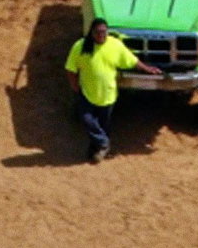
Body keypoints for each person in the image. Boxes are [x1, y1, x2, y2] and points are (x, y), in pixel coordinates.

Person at [64, 18, 161, 163]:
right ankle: (103, 143)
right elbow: (70, 68)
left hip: (107, 95)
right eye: (97, 32)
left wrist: (148, 69)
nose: (101, 35)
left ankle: (96, 151)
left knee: (103, 125)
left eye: (104, 32)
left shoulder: (115, 45)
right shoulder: (80, 47)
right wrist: (74, 85)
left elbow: (132, 60)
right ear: (91, 32)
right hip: (87, 93)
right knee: (87, 119)